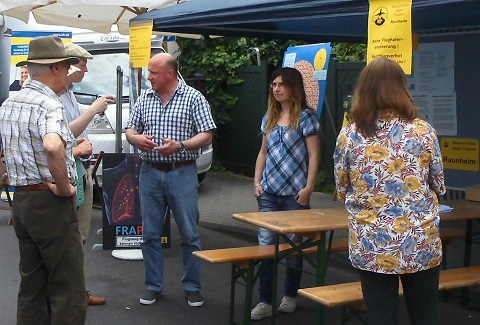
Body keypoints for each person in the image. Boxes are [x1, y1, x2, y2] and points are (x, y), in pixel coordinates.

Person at [333, 56, 446, 325]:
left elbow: (341, 188)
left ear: (364, 90)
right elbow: (439, 184)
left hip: (372, 243)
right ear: (401, 88)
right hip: (420, 240)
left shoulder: (349, 135)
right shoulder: (424, 132)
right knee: (425, 314)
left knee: (381, 316)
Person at [0, 35, 86, 325]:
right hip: (49, 203)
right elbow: (52, 145)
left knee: (31, 286)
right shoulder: (49, 104)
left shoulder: (10, 103)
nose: (70, 73)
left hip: (22, 201)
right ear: (56, 69)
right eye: (67, 66)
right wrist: (64, 188)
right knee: (67, 286)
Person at [125, 52, 216, 307]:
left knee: (189, 233)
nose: (149, 77)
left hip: (182, 171)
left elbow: (207, 134)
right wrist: (135, 139)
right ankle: (153, 286)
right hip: (150, 172)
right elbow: (130, 129)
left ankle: (192, 286)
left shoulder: (193, 98)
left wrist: (181, 145)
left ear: (170, 74)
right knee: (150, 235)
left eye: (153, 73)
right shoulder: (145, 98)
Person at [251, 67, 320, 320]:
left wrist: (309, 187)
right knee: (265, 247)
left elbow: (314, 154)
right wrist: (256, 182)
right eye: (273, 84)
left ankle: (290, 295)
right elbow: (263, 153)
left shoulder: (306, 118)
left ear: (294, 87)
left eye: (281, 84)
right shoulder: (270, 116)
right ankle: (265, 300)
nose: (276, 88)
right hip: (268, 193)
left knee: (293, 248)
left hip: (295, 195)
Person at [59, 43, 114, 306]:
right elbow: (58, 137)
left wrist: (91, 112)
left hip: (80, 170)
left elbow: (73, 125)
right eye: (82, 65)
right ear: (68, 66)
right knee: (68, 239)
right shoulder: (52, 96)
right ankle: (68, 297)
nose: (86, 70)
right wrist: (92, 110)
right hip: (68, 173)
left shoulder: (68, 92)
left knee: (79, 237)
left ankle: (76, 292)